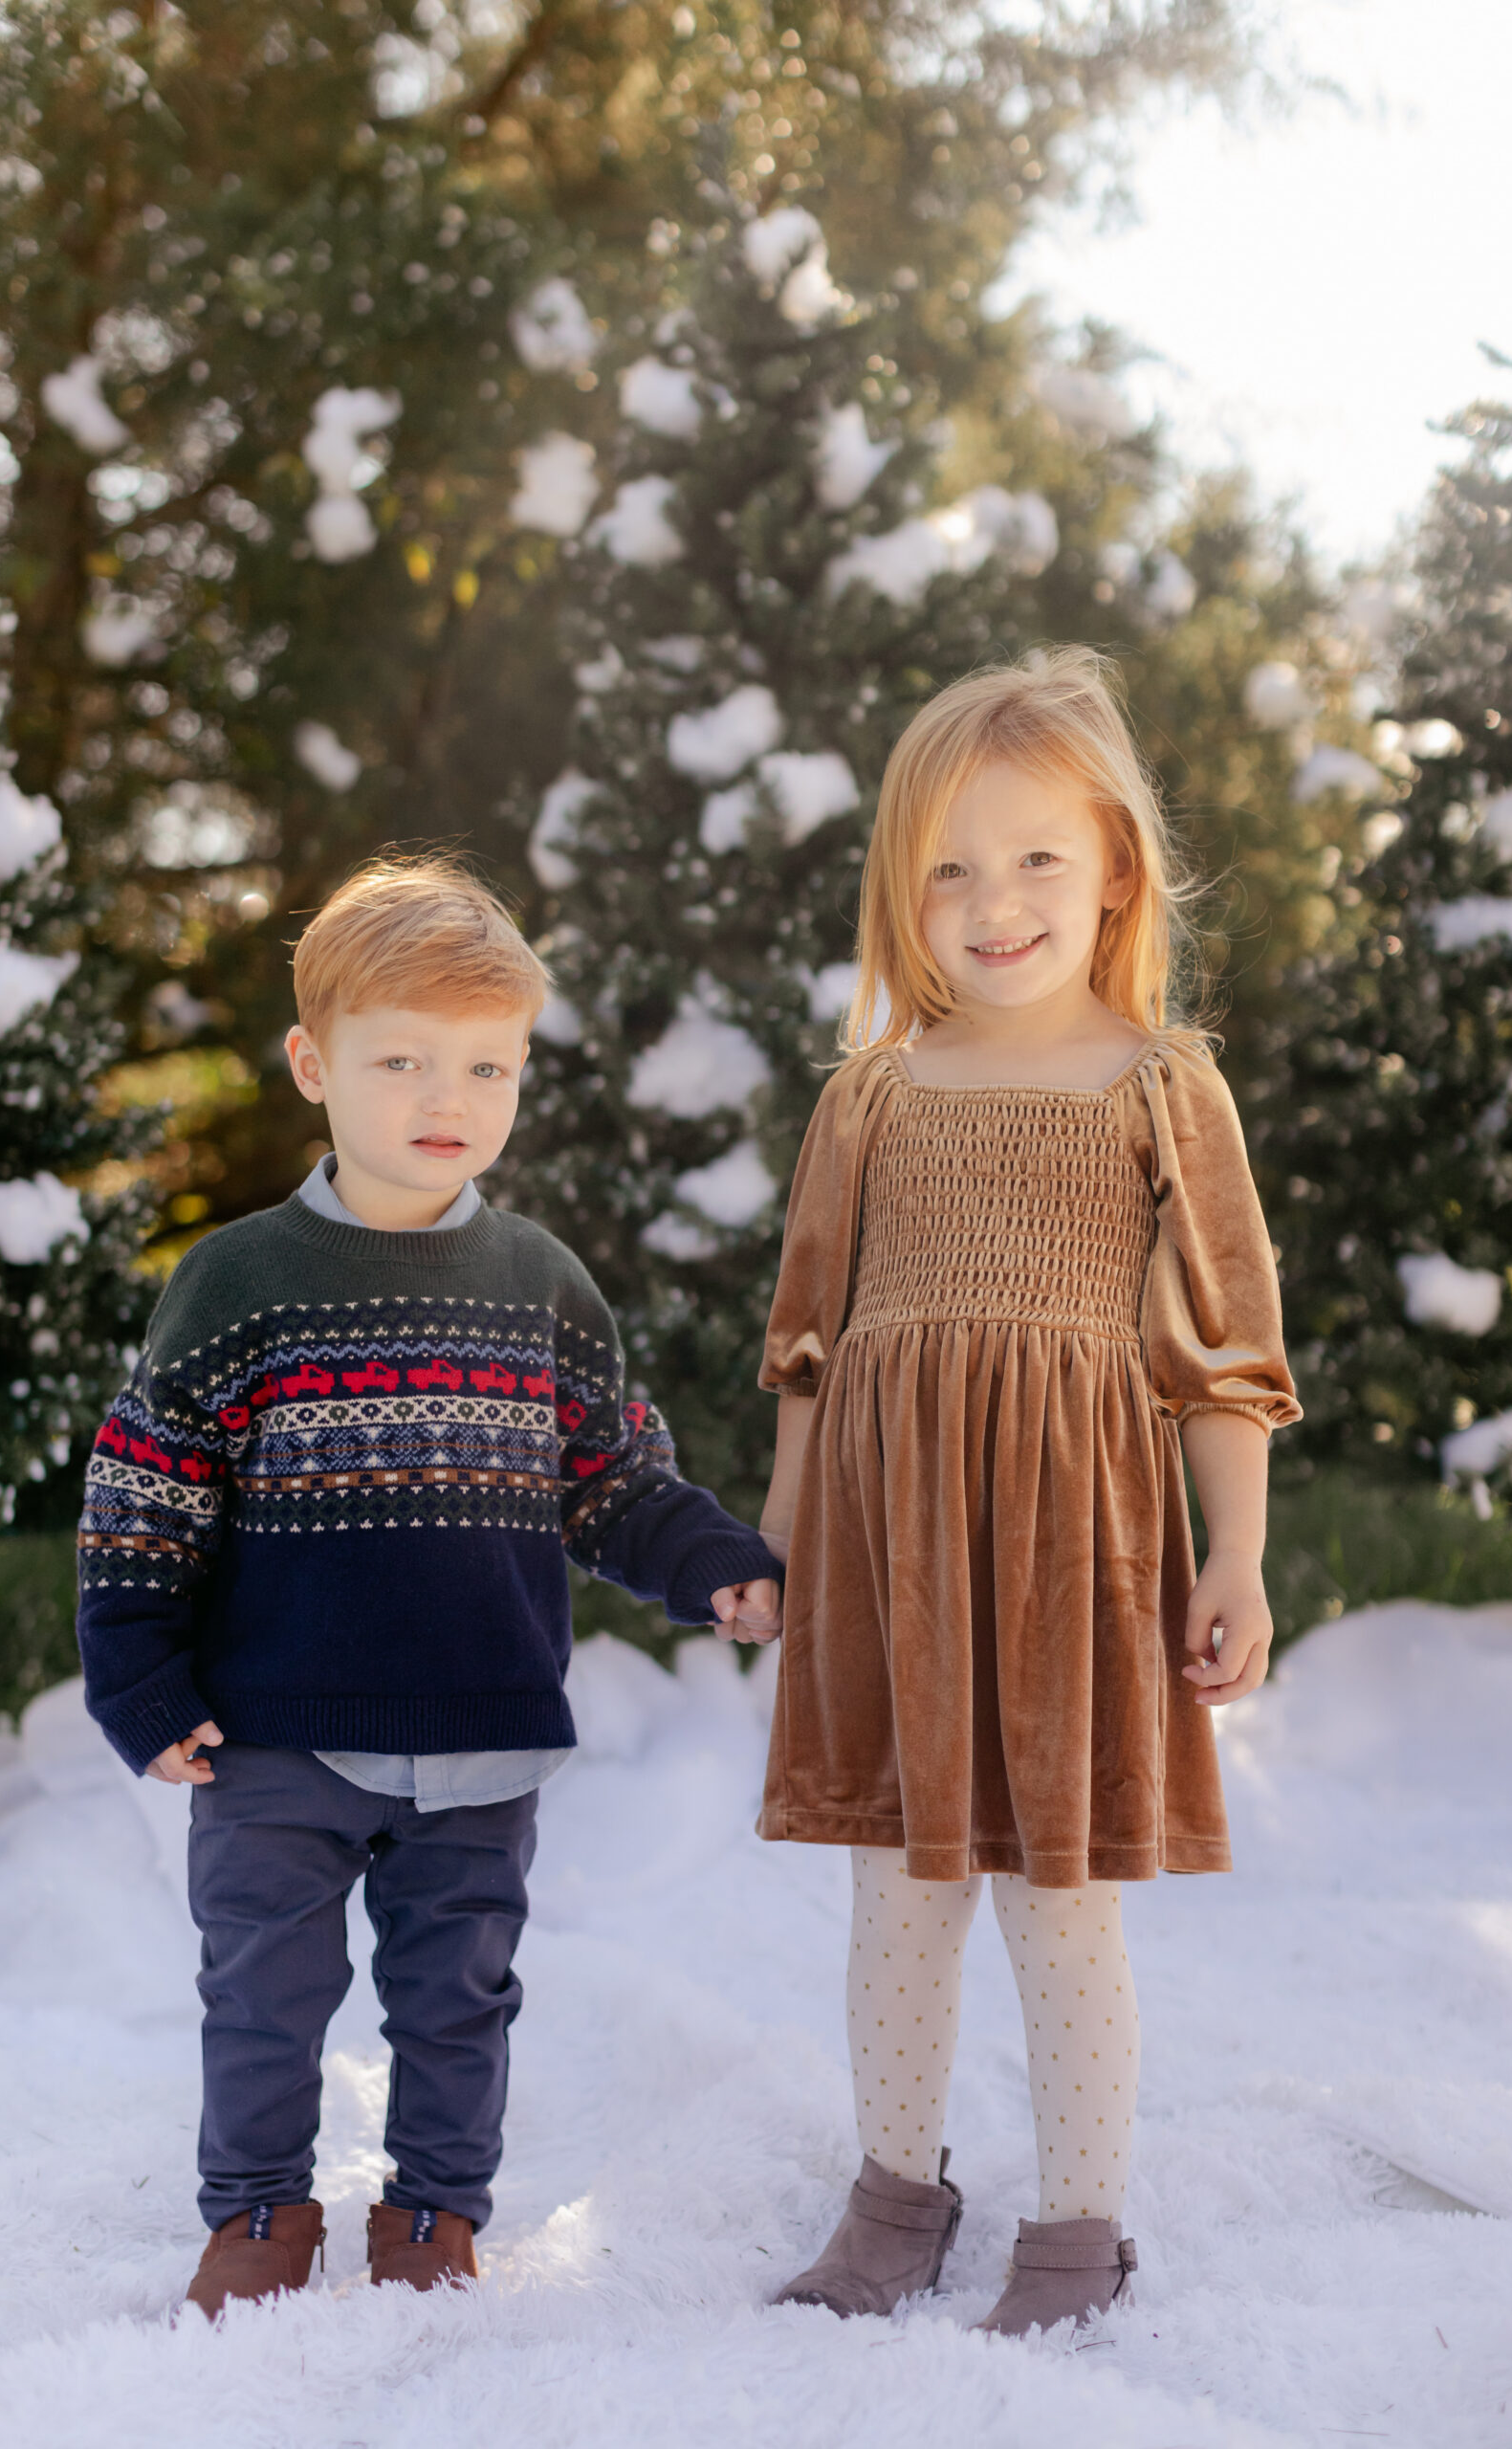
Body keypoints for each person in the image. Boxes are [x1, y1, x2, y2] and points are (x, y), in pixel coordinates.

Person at [75, 855, 782, 2320]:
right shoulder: (240, 1281)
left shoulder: (539, 1285)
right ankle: (260, 2212)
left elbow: (609, 1477)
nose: (442, 1095)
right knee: (263, 1997)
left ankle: (434, 2211)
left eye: (486, 1064)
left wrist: (710, 1564)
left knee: (457, 1996)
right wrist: (139, 1680)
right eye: (399, 1060)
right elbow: (147, 1494)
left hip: (481, 1730)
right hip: (271, 1734)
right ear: (312, 1063)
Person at [746, 650, 1299, 2336]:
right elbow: (810, 1349)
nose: (994, 904)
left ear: (1115, 863)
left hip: (1072, 1550)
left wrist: (1240, 1558)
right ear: (900, 895)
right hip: (891, 1549)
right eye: (949, 869)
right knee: (900, 1895)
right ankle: (895, 2194)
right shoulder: (869, 1097)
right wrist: (774, 1542)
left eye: (1036, 858)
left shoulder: (1157, 1087)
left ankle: (1078, 2228)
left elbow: (1218, 1357)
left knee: (1060, 1905)